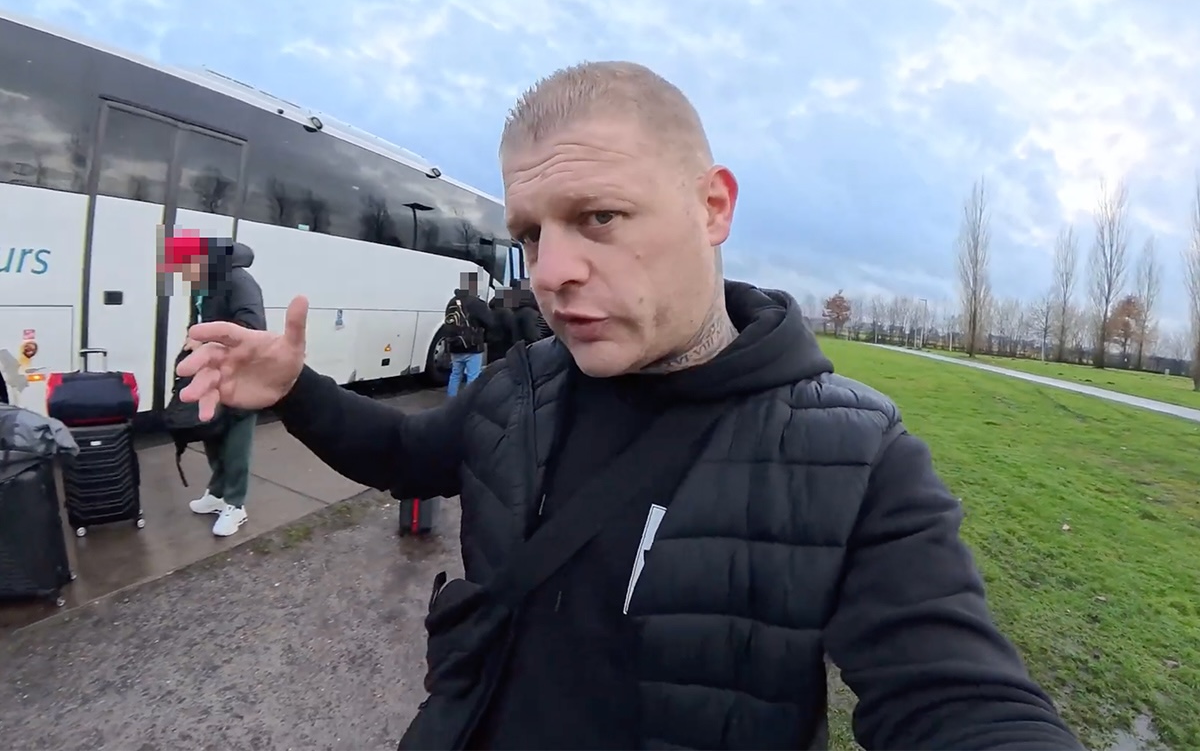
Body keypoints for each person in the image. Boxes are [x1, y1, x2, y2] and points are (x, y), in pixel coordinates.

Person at [177, 62, 1082, 749]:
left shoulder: (852, 454)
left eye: (599, 218)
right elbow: (409, 458)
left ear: (713, 206)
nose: (553, 271)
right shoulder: (523, 384)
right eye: (531, 234)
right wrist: (297, 390)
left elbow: (959, 701)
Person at [164, 234, 265, 537]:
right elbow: (198, 322)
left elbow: (252, 326)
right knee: (211, 431)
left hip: (240, 375)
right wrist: (191, 339)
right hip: (211, 373)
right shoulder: (203, 284)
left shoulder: (239, 281)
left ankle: (236, 505)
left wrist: (206, 340)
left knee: (236, 441)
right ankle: (218, 493)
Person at [444, 271, 492, 396]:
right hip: (473, 346)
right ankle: (469, 402)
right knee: (473, 376)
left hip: (455, 345)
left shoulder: (452, 301)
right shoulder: (476, 303)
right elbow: (489, 321)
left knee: (455, 374)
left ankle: (451, 401)